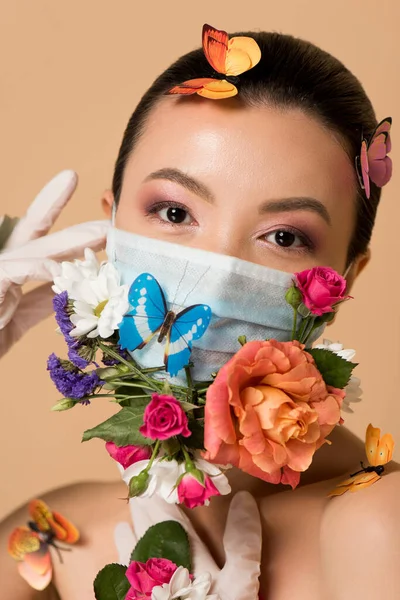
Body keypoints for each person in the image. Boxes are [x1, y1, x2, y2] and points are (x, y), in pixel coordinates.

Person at [1, 26, 400, 600]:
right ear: (110, 230)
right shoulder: (59, 537)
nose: (214, 273)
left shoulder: (377, 526)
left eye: (284, 235)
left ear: (345, 280)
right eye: (173, 211)